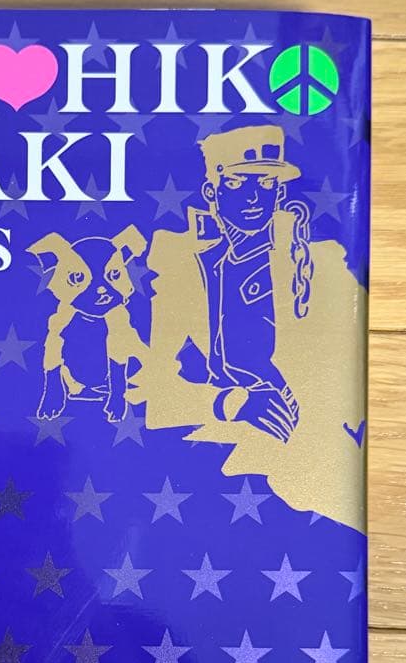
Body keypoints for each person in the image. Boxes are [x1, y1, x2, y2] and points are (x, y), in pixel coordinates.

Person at [130, 124, 367, 532]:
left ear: (279, 192)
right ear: (212, 192)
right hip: (226, 447)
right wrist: (233, 404)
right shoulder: (184, 267)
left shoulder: (319, 261)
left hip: (316, 445)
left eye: (267, 183)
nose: (254, 197)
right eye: (237, 183)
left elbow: (354, 373)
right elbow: (158, 395)